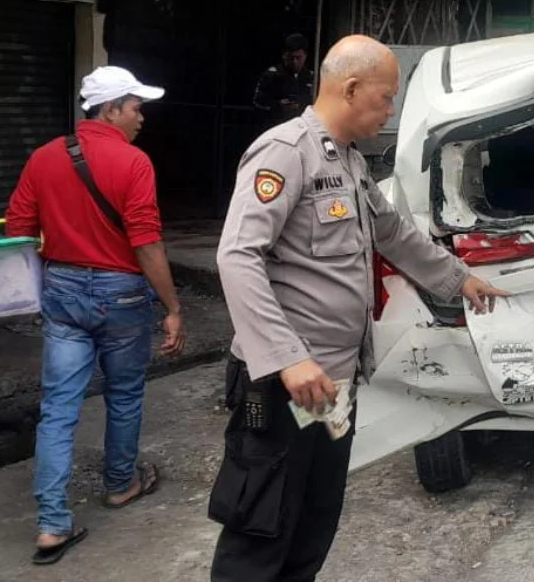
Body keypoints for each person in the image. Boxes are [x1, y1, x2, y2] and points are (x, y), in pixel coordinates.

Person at [208, 35, 509, 582]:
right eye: (387, 97)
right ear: (350, 88)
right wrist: (285, 358)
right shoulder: (284, 152)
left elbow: (392, 232)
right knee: (262, 524)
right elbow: (236, 256)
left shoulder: (347, 161)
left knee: (314, 515)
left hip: (330, 384)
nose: (391, 110)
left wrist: (459, 280)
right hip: (288, 384)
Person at [5, 66, 186, 566]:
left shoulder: (43, 158)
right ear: (110, 110)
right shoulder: (133, 162)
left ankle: (50, 524)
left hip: (61, 289)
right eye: (135, 107)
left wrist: (57, 263)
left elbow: (19, 226)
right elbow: (146, 240)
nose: (141, 118)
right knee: (124, 393)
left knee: (58, 408)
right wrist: (172, 307)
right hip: (122, 294)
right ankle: (120, 484)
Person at [253, 33, 315, 130]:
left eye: (298, 58)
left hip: (303, 127)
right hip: (277, 126)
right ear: (284, 56)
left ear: (305, 56)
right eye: (291, 58)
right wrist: (278, 105)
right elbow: (257, 101)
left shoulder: (311, 77)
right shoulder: (272, 75)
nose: (295, 62)